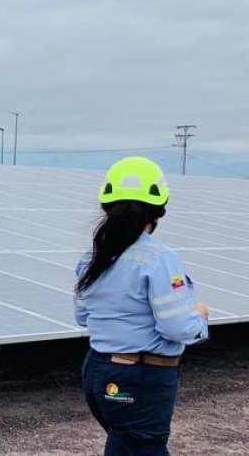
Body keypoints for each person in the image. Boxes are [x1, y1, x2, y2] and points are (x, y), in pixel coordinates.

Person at [74, 156, 210, 455]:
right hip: (142, 377)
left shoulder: (92, 257)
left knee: (130, 443)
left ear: (106, 204)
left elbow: (83, 316)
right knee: (140, 446)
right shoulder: (158, 257)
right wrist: (199, 317)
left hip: (99, 371)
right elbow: (177, 327)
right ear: (159, 207)